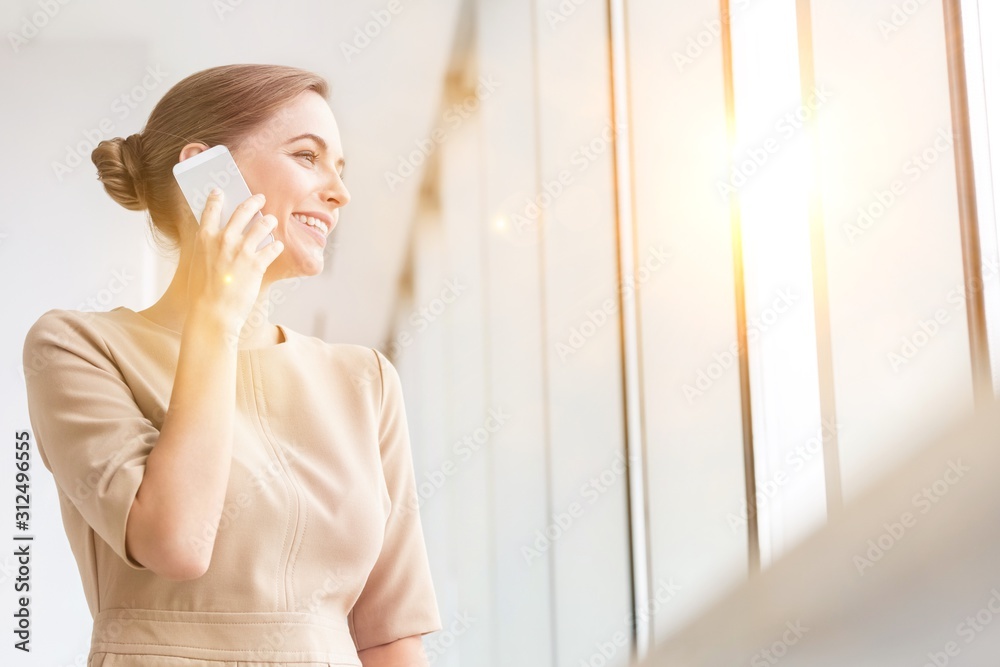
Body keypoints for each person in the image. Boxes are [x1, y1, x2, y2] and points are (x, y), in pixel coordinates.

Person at [21, 63, 442, 667]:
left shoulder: (364, 381)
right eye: (307, 156)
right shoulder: (78, 347)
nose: (338, 191)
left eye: (339, 169)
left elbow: (389, 635)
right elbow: (177, 544)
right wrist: (217, 318)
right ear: (204, 173)